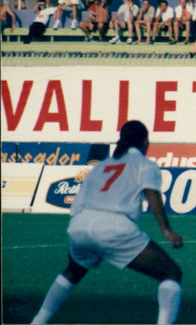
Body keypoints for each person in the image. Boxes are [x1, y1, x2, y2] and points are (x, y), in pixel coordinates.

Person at [31, 121, 183, 325]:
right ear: (145, 142)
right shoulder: (145, 165)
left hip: (81, 224)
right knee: (171, 273)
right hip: (115, 227)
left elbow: (76, 205)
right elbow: (152, 194)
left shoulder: (101, 166)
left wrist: (82, 227)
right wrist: (167, 230)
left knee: (74, 270)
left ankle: (38, 321)